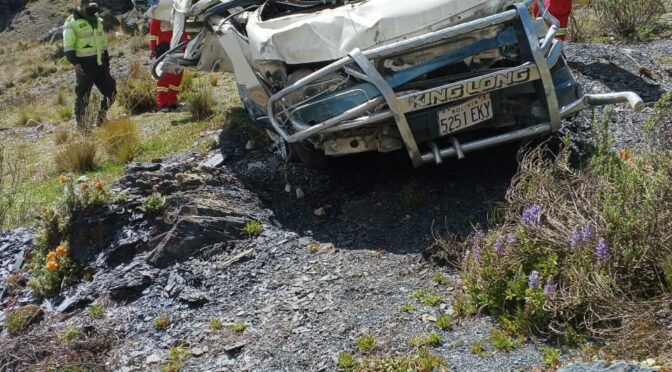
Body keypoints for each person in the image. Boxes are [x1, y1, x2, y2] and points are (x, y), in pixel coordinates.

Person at [63, 0, 116, 129]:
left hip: (100, 63)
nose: (91, 5)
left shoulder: (98, 20)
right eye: (87, 3)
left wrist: (106, 61)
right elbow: (68, 45)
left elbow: (102, 42)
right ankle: (81, 126)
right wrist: (75, 63)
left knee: (111, 91)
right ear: (80, 6)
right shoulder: (72, 22)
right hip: (84, 65)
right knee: (83, 96)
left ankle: (101, 119)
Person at [149, 17, 187, 112]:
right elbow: (153, 30)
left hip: (179, 45)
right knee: (164, 76)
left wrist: (186, 45)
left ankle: (172, 101)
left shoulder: (181, 6)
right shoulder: (161, 9)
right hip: (165, 47)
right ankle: (163, 103)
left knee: (177, 75)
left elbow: (185, 27)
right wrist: (153, 47)